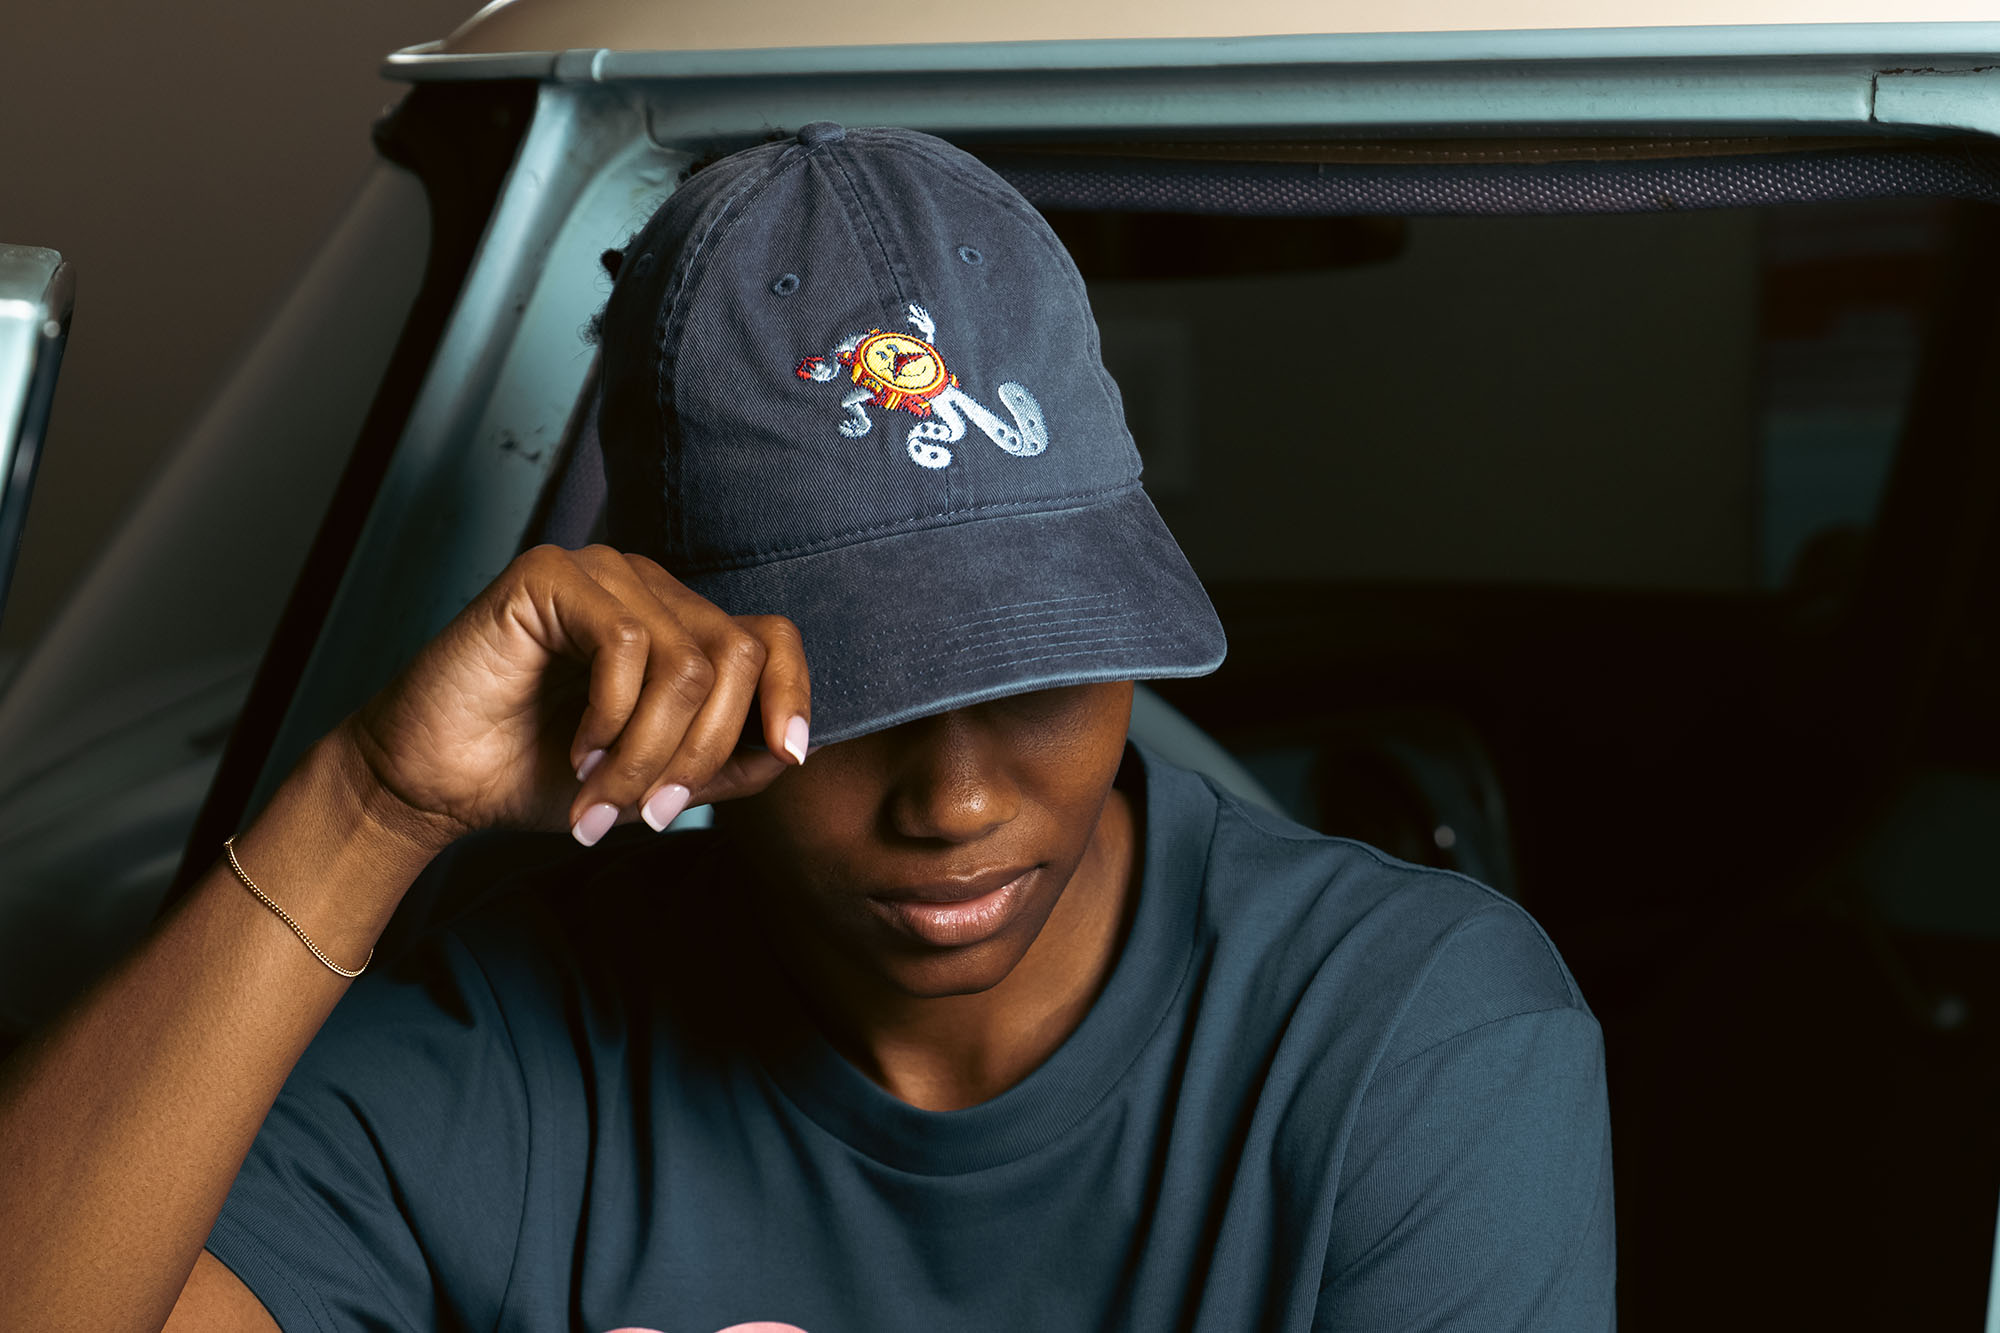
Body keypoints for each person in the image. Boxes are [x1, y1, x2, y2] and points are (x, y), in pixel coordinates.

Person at [0, 124, 1614, 1332]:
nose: (956, 800)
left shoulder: (1415, 1042)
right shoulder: (517, 1047)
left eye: (1036, 668)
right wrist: (369, 803)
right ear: (669, 668)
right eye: (851, 695)